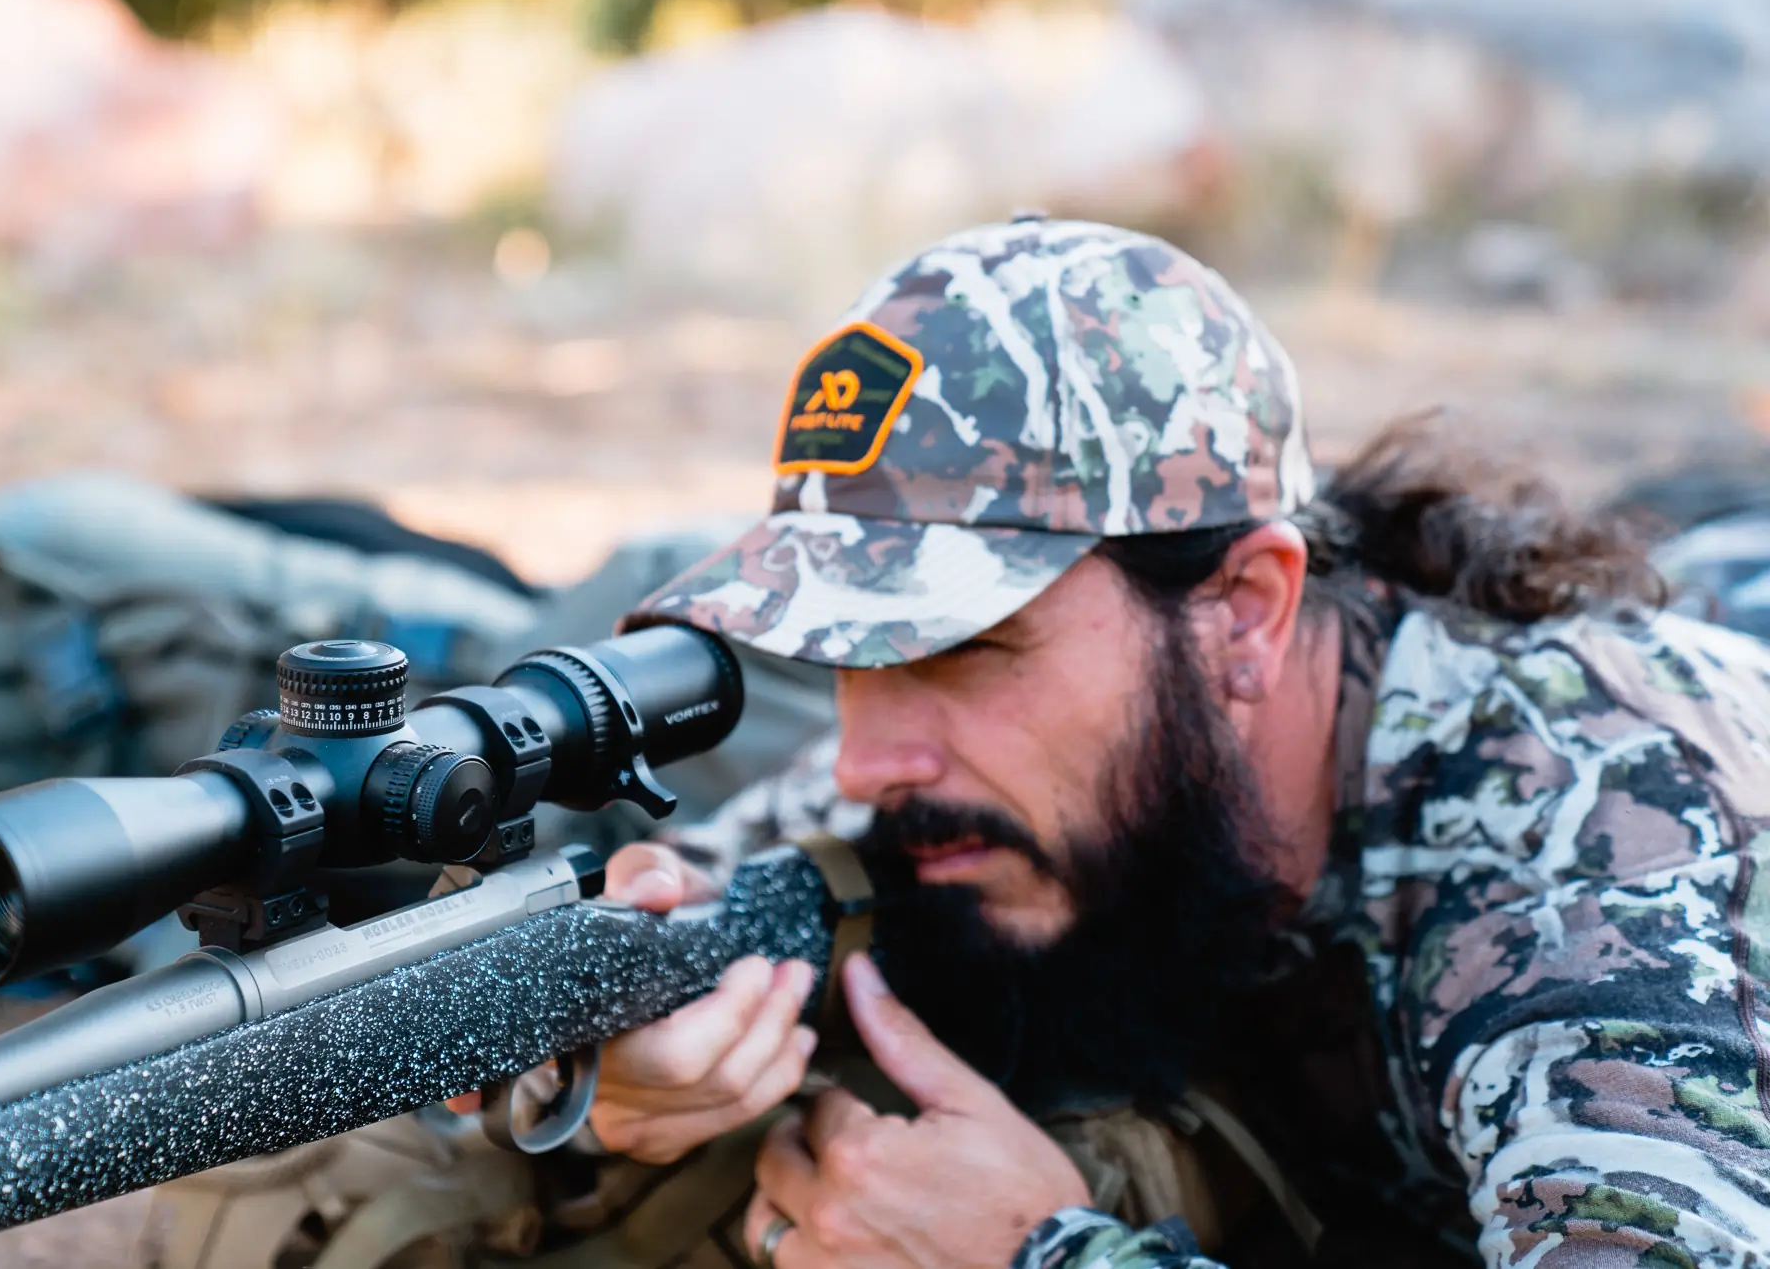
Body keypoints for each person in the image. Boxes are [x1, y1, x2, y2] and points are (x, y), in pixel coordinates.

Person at [588, 217, 1770, 1268]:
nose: (862, 761)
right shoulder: (1004, 779)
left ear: (1245, 608)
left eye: (958, 649)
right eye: (848, 656)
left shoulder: (1584, 816)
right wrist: (618, 1059)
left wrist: (1041, 1255)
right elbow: (675, 913)